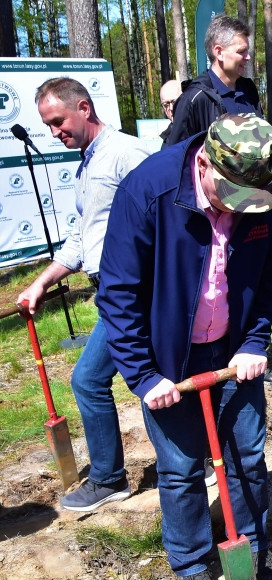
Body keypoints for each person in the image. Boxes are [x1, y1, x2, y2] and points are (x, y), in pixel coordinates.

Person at [97, 114, 272, 580]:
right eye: (231, 194)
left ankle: (250, 545)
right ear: (204, 162)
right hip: (169, 358)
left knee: (246, 454)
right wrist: (143, 375)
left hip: (234, 349)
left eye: (252, 196)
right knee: (181, 469)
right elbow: (118, 292)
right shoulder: (150, 190)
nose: (240, 207)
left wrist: (254, 340)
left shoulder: (265, 186)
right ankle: (191, 566)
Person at [16, 78, 150, 513]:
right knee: (146, 379)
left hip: (133, 290)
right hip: (109, 291)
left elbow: (164, 217)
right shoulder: (86, 165)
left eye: (58, 121)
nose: (54, 131)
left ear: (85, 108)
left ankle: (112, 478)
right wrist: (42, 282)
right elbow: (80, 242)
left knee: (93, 379)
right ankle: (193, 461)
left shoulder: (125, 155)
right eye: (48, 125)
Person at [162, 15, 261, 148]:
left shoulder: (249, 89)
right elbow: (177, 158)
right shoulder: (194, 98)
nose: (248, 57)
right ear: (219, 52)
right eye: (241, 51)